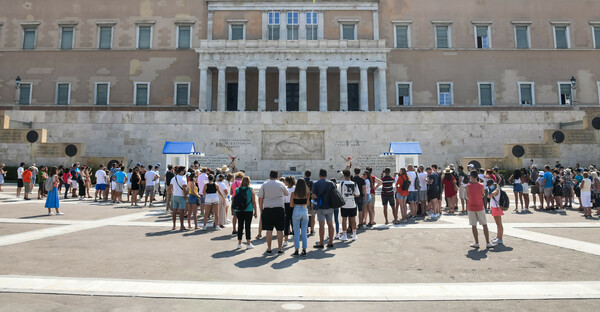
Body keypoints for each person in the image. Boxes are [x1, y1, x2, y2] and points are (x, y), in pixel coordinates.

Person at [258, 170, 289, 254]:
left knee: (269, 230)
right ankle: (279, 249)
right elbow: (287, 193)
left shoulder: (265, 184)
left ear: (269, 176)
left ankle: (269, 248)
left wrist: (261, 209)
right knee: (280, 229)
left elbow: (260, 198)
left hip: (267, 208)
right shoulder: (281, 184)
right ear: (277, 176)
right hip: (279, 208)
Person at [466, 170, 494, 249]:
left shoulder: (468, 186)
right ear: (477, 176)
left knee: (473, 225)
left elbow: (468, 196)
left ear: (471, 176)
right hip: (480, 206)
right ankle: (488, 242)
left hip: (471, 207)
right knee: (484, 224)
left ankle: (477, 242)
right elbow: (482, 194)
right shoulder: (481, 185)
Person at [312, 169, 335, 248]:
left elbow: (313, 196)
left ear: (319, 175)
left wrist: (314, 202)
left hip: (321, 207)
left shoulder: (316, 184)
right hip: (330, 206)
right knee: (330, 224)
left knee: (321, 225)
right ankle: (330, 242)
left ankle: (321, 243)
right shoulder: (331, 183)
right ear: (326, 175)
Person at [235, 176, 257, 250]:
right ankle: (248, 243)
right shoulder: (251, 190)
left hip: (239, 210)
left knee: (240, 226)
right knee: (248, 226)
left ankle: (239, 243)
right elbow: (254, 202)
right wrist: (256, 211)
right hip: (248, 209)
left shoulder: (237, 189)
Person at [290, 178, 310, 256]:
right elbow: (308, 204)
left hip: (296, 210)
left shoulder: (293, 193)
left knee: (296, 231)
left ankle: (296, 249)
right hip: (304, 210)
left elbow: (291, 204)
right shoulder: (307, 193)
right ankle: (304, 249)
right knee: (304, 231)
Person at [339, 169, 359, 241]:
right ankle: (354, 234)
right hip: (352, 203)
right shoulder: (354, 184)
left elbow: (339, 194)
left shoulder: (341, 184)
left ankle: (344, 235)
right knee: (353, 218)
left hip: (344, 203)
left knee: (344, 219)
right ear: (350, 175)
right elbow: (357, 194)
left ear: (344, 176)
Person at [169, 166, 188, 231]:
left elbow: (170, 188)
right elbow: (185, 189)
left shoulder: (174, 178)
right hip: (181, 196)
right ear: (181, 171)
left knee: (174, 211)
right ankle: (182, 225)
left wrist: (173, 193)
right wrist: (186, 196)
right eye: (184, 170)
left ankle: (174, 225)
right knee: (181, 212)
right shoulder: (183, 179)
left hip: (175, 196)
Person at [487, 180, 504, 245]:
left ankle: (500, 238)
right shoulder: (495, 189)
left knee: (499, 223)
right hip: (494, 207)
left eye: (489, 185)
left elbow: (490, 195)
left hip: (497, 208)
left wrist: (489, 192)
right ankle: (498, 237)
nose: (488, 187)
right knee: (497, 223)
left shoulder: (497, 190)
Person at [283, 176, 296, 246]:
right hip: (292, 206)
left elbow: (284, 198)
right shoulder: (294, 188)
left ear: (287, 182)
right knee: (292, 223)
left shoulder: (286, 189)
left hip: (287, 205)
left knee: (287, 223)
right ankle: (293, 239)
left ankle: (286, 240)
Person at [230, 171, 244, 236]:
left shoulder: (233, 183)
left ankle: (234, 229)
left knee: (234, 215)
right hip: (241, 199)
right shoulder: (242, 183)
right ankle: (240, 229)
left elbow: (230, 192)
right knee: (241, 216)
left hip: (234, 199)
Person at [304, 170, 316, 235]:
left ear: (305, 175)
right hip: (311, 200)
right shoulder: (312, 182)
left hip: (304, 201)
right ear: (310, 175)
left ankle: (306, 229)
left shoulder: (303, 182)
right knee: (313, 215)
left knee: (305, 215)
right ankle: (312, 229)